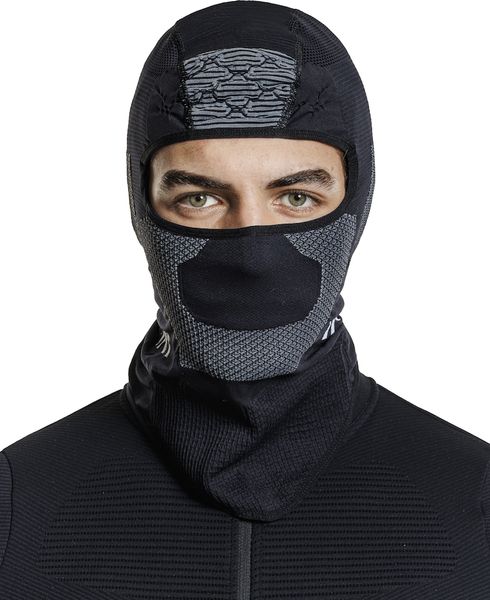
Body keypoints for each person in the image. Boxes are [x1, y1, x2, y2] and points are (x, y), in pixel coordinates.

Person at [1, 1, 490, 597]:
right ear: (142, 209)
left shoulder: (476, 503)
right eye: (200, 199)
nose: (253, 253)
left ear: (357, 207)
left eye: (297, 198)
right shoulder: (17, 506)